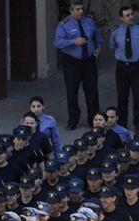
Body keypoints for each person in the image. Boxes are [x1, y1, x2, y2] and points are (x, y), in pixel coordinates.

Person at [53, 0, 102, 130]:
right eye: (77, 9)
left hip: (89, 61)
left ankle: (94, 120)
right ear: (71, 11)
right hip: (72, 61)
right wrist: (73, 41)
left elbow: (97, 35)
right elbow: (57, 42)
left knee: (92, 91)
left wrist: (99, 47)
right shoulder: (64, 24)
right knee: (72, 92)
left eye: (81, 9)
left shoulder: (89, 21)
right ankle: (73, 120)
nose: (81, 11)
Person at [109, 6, 139, 130]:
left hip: (137, 67)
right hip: (122, 67)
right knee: (122, 97)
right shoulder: (116, 30)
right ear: (121, 18)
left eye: (131, 14)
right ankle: (122, 124)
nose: (131, 17)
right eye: (127, 15)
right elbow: (112, 44)